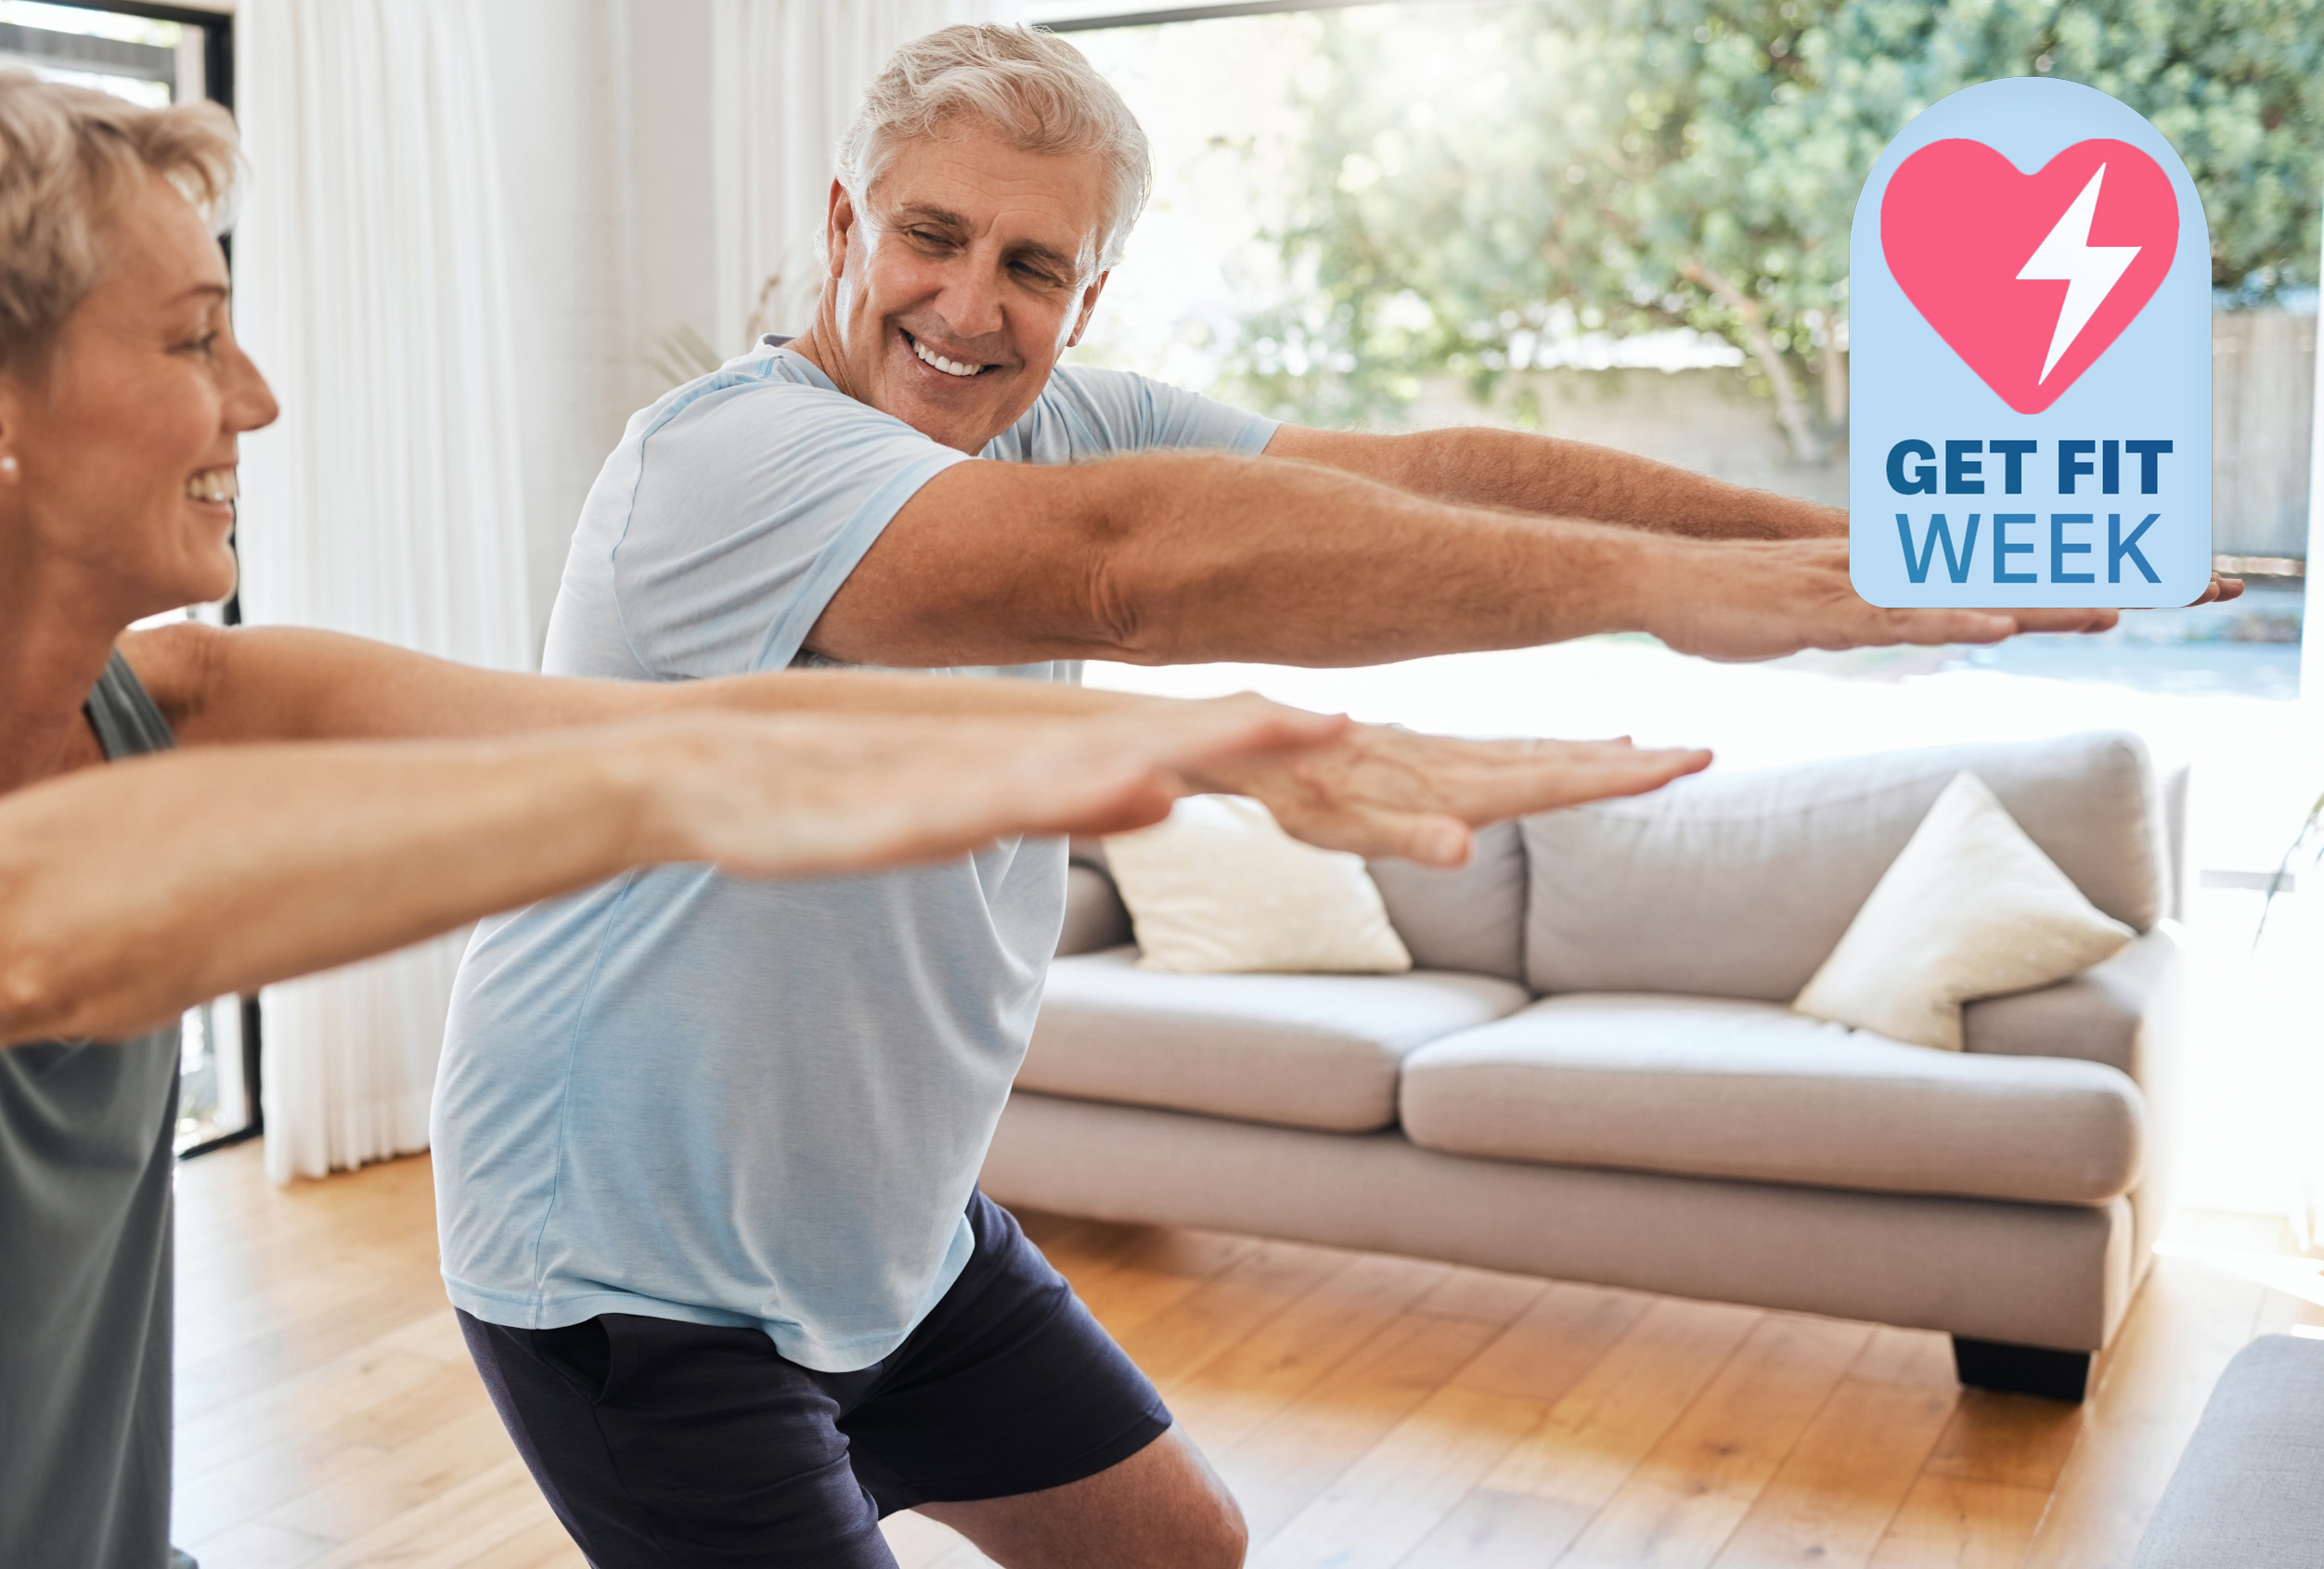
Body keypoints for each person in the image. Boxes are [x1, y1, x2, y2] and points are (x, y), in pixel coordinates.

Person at [0, 58, 1707, 1569]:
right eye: (200, 336)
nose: (266, 397)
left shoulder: (189, 698)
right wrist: (683, 764)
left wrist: (1228, 746)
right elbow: (31, 932)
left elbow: (658, 741)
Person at [430, 22, 2230, 1569]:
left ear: (1091, 292)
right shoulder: (726, 464)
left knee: (1179, 1544)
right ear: (843, 224)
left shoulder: (1061, 415)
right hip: (631, 1265)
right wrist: (1660, 598)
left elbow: (1420, 474)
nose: (971, 307)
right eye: (931, 236)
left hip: (880, 1238)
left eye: (1034, 268)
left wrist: (1850, 551)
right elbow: (1131, 574)